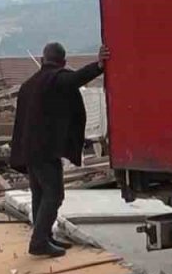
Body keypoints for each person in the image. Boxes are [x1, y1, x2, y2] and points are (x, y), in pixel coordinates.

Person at [10, 42, 110, 257]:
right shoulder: (55, 78)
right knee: (54, 195)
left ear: (42, 57)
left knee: (40, 195)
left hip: (28, 149)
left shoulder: (29, 84)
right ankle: (38, 242)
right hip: (45, 151)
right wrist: (99, 65)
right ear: (63, 62)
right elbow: (74, 79)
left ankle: (44, 237)